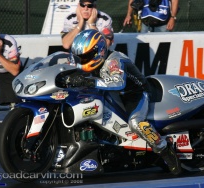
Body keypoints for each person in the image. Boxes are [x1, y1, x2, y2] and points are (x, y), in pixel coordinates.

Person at [66, 29, 182, 175]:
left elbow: (118, 81)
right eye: (79, 57)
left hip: (135, 94)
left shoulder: (114, 60)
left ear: (99, 51)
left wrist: (89, 81)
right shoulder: (89, 61)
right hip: (112, 93)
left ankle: (165, 151)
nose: (81, 60)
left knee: (136, 123)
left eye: (85, 56)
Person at [0, 24, 21, 109]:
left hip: (6, 69)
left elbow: (15, 70)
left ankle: (14, 107)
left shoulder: (9, 42)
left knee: (13, 73)